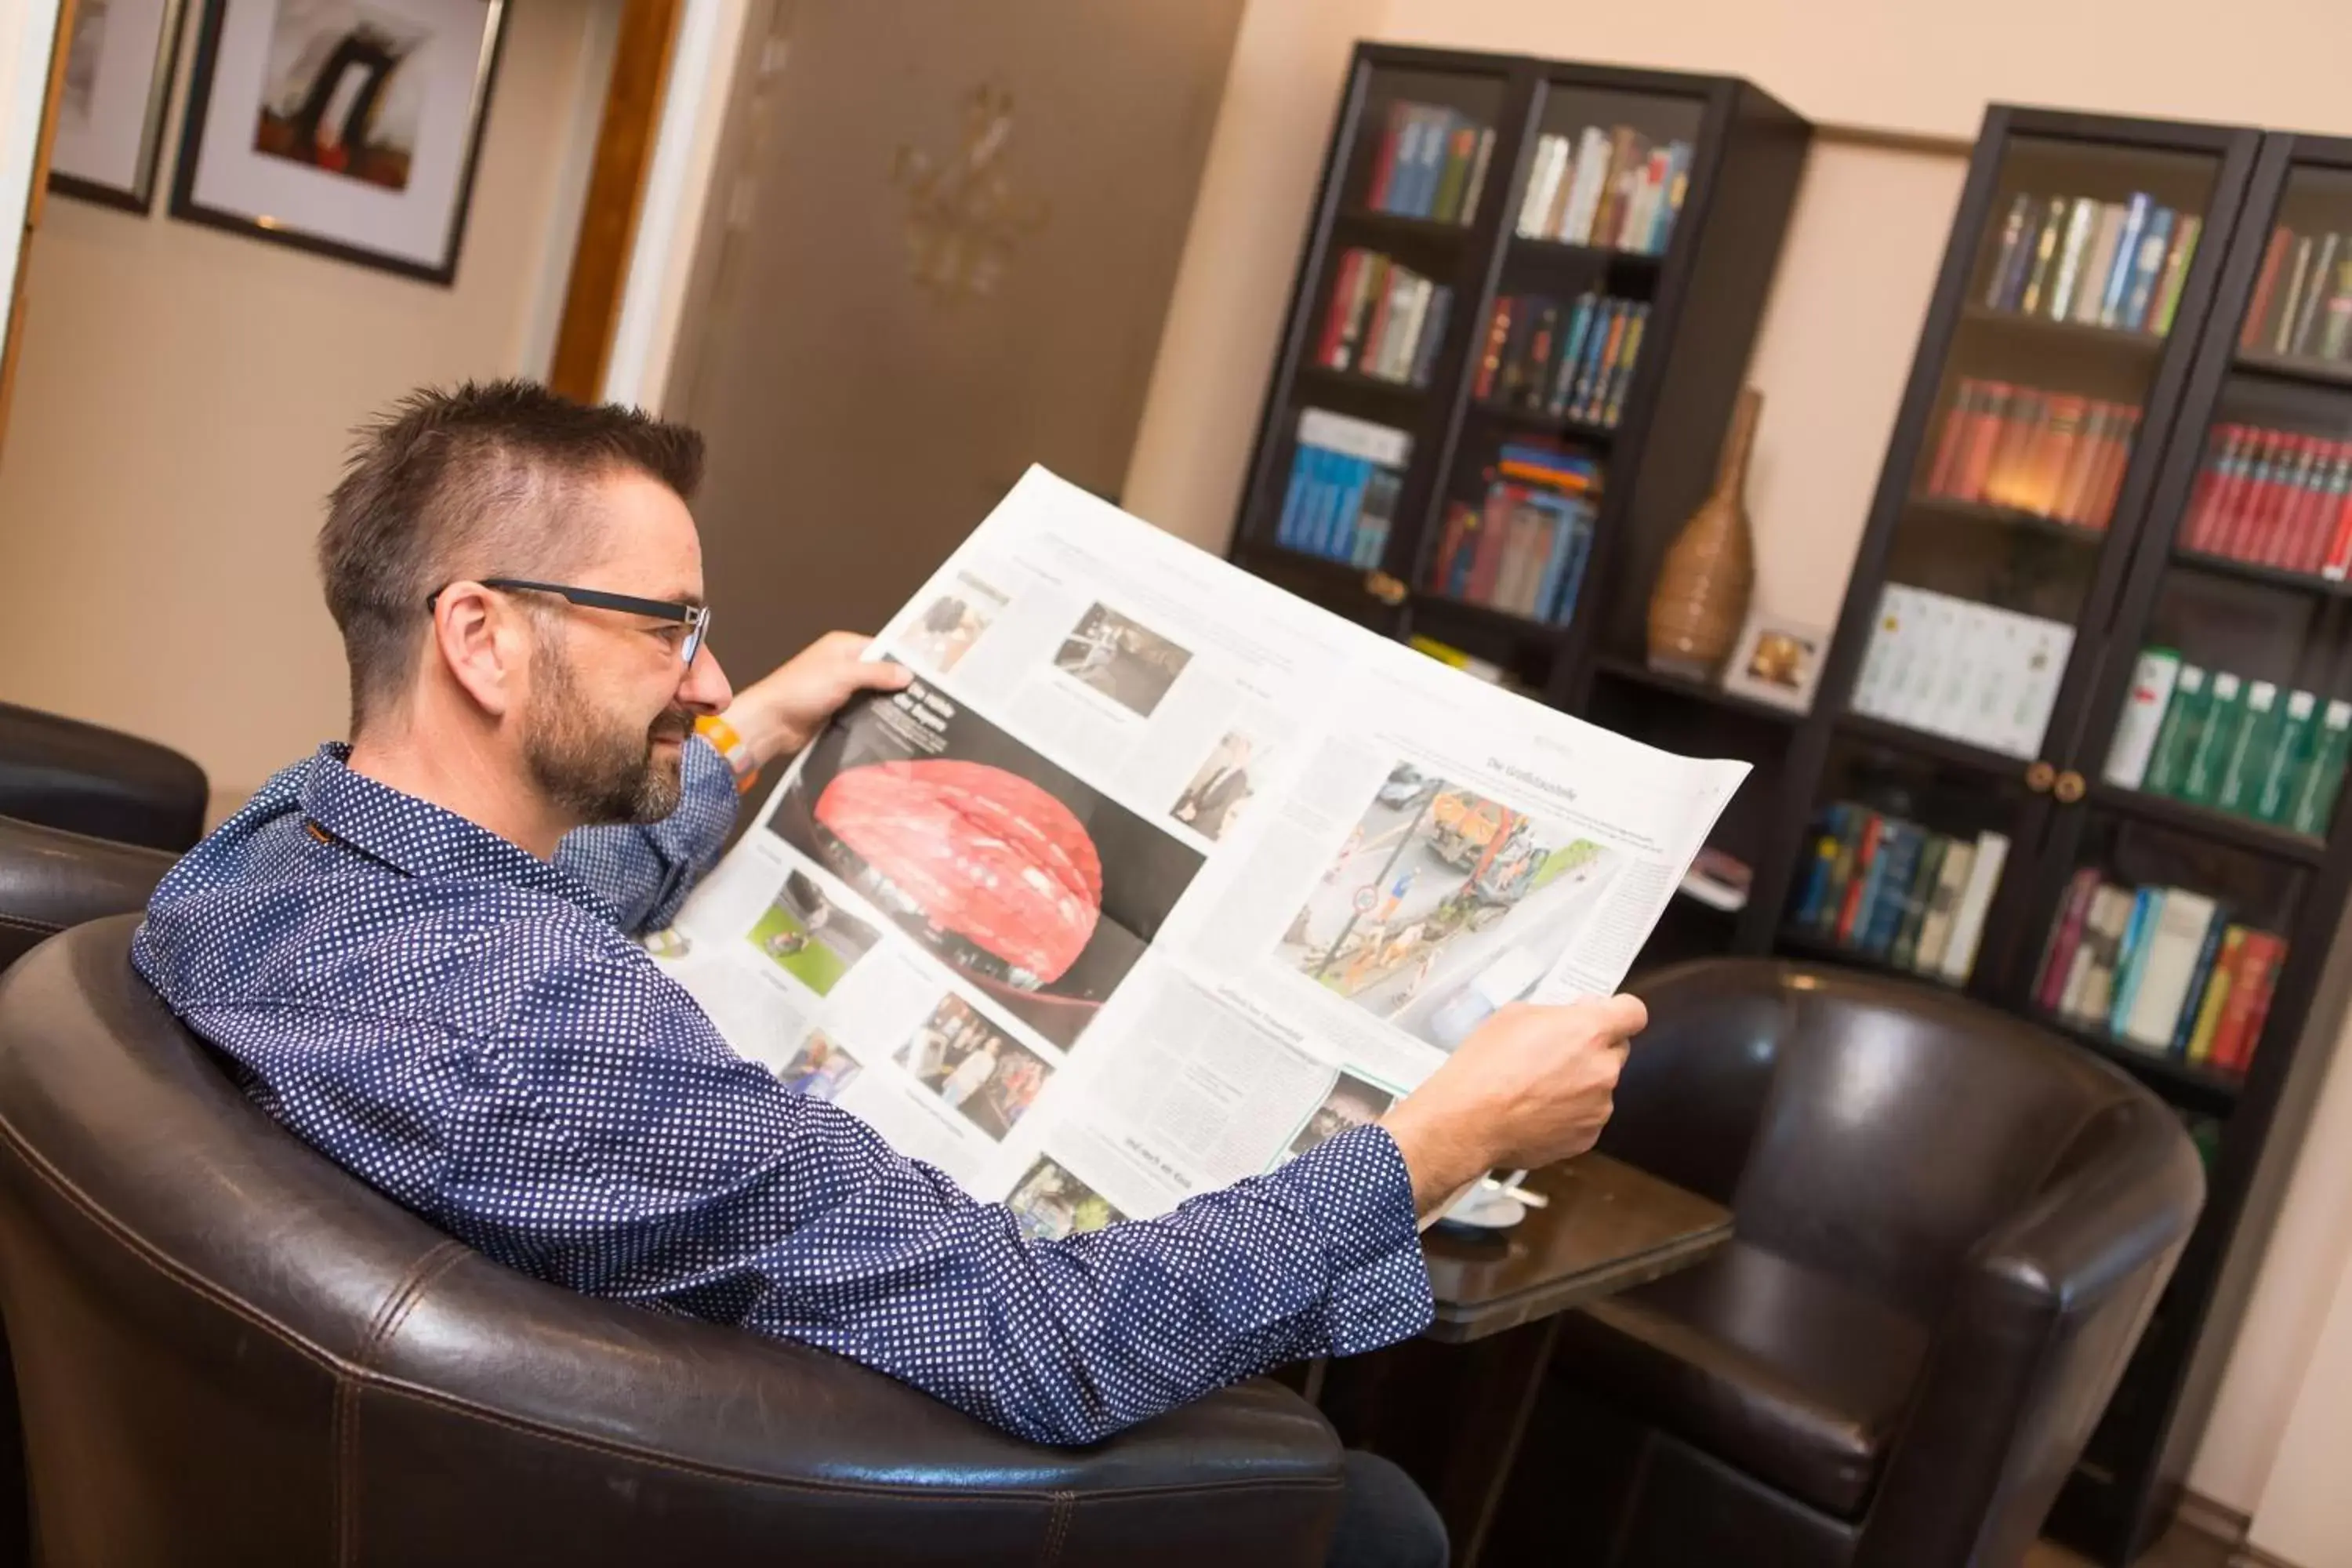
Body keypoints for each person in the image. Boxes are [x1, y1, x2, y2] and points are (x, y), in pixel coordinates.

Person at [132, 381, 1642, 1568]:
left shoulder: (275, 852)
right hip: (741, 1505)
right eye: (670, 632)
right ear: (481, 636)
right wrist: (1443, 1142)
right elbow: (1054, 1343)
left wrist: (753, 742)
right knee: (1369, 1511)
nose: (711, 679)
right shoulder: (555, 1030)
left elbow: (536, 892)